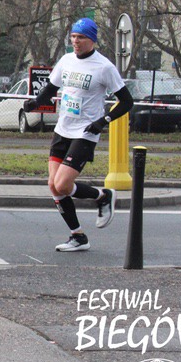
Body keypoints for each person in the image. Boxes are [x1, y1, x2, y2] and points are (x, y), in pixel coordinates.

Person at [23, 18, 134, 252]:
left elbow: (127, 102)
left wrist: (102, 121)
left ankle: (103, 196)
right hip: (62, 129)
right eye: (73, 36)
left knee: (63, 184)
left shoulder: (104, 67)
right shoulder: (66, 60)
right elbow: (51, 89)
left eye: (81, 37)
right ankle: (78, 236)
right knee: (53, 186)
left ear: (92, 40)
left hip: (85, 132)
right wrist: (35, 103)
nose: (76, 41)